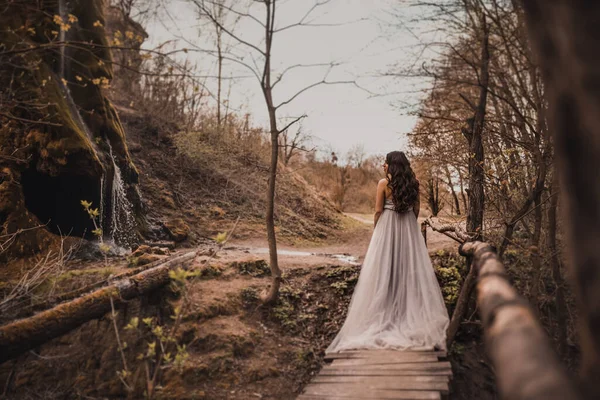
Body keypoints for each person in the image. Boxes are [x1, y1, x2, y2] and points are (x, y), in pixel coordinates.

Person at [326, 151, 449, 353]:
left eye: (385, 162)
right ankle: (406, 313)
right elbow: (417, 210)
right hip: (408, 227)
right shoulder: (414, 183)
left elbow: (377, 211)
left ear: (392, 164)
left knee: (384, 268)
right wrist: (409, 223)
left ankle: (385, 311)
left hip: (387, 227)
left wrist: (378, 231)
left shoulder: (383, 184)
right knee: (407, 268)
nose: (383, 165)